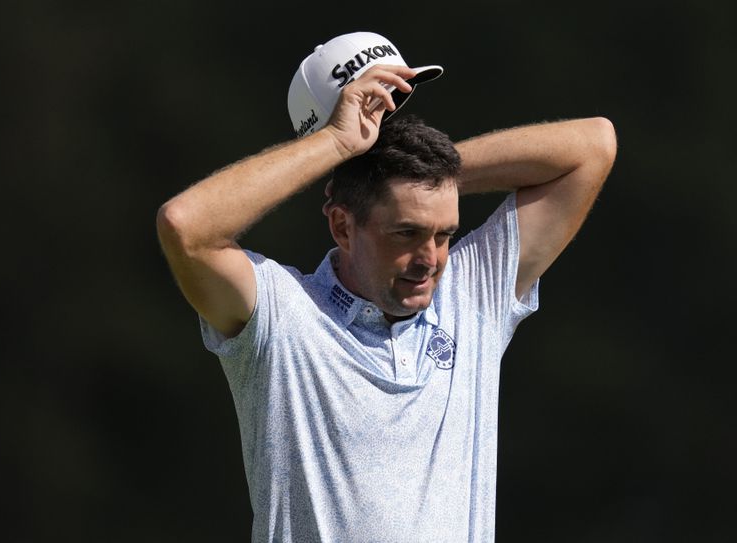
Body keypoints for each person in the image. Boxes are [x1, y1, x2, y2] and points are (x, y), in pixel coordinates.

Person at [156, 31, 616, 543]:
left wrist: (423, 173)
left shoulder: (469, 295)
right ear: (341, 226)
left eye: (445, 235)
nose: (430, 260)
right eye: (407, 234)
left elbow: (593, 145)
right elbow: (186, 227)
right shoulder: (283, 315)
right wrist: (334, 146)